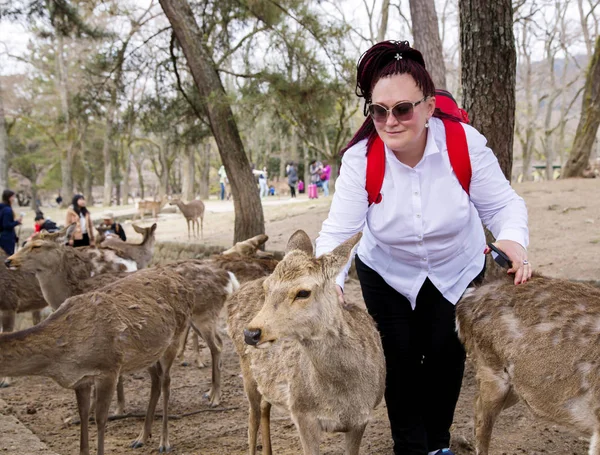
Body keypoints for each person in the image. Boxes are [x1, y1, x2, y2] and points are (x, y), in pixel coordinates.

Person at [314, 41, 531, 455]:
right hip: (388, 269)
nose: (390, 120)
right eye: (379, 110)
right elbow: (339, 231)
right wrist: (329, 281)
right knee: (399, 359)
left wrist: (511, 241)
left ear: (429, 107)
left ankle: (437, 444)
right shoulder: (361, 159)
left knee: (445, 355)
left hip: (456, 265)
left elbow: (504, 204)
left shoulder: (464, 144)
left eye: (402, 109)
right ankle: (409, 447)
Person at [0, 190, 22, 255]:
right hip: (7, 237)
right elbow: (6, 225)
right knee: (8, 256)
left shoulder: (2, 208)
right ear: (9, 198)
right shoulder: (7, 210)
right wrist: (17, 222)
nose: (14, 199)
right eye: (13, 197)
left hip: (2, 235)